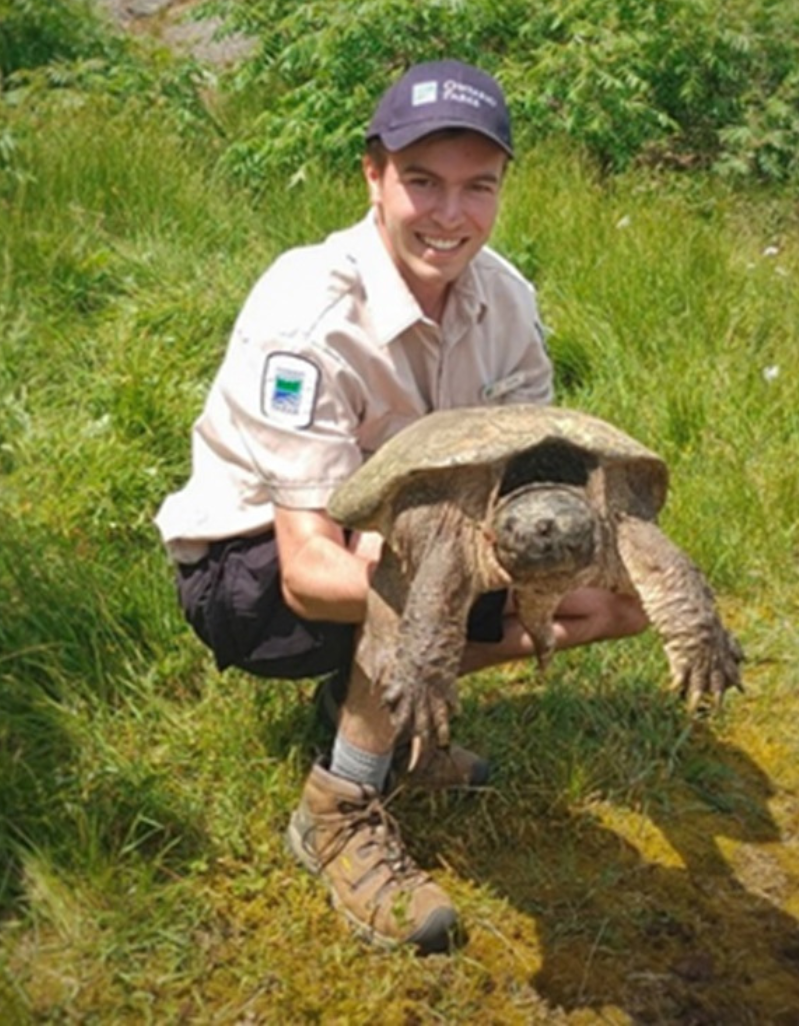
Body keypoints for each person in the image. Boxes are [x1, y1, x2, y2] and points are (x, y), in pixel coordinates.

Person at [153, 60, 648, 954]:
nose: (450, 214)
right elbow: (307, 573)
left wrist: (579, 551)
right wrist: (446, 595)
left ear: (502, 190)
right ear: (374, 175)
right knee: (416, 569)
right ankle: (339, 806)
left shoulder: (508, 299)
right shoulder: (308, 311)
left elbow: (529, 479)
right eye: (422, 181)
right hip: (250, 570)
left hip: (414, 537)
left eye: (477, 187)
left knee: (616, 598)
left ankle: (394, 718)